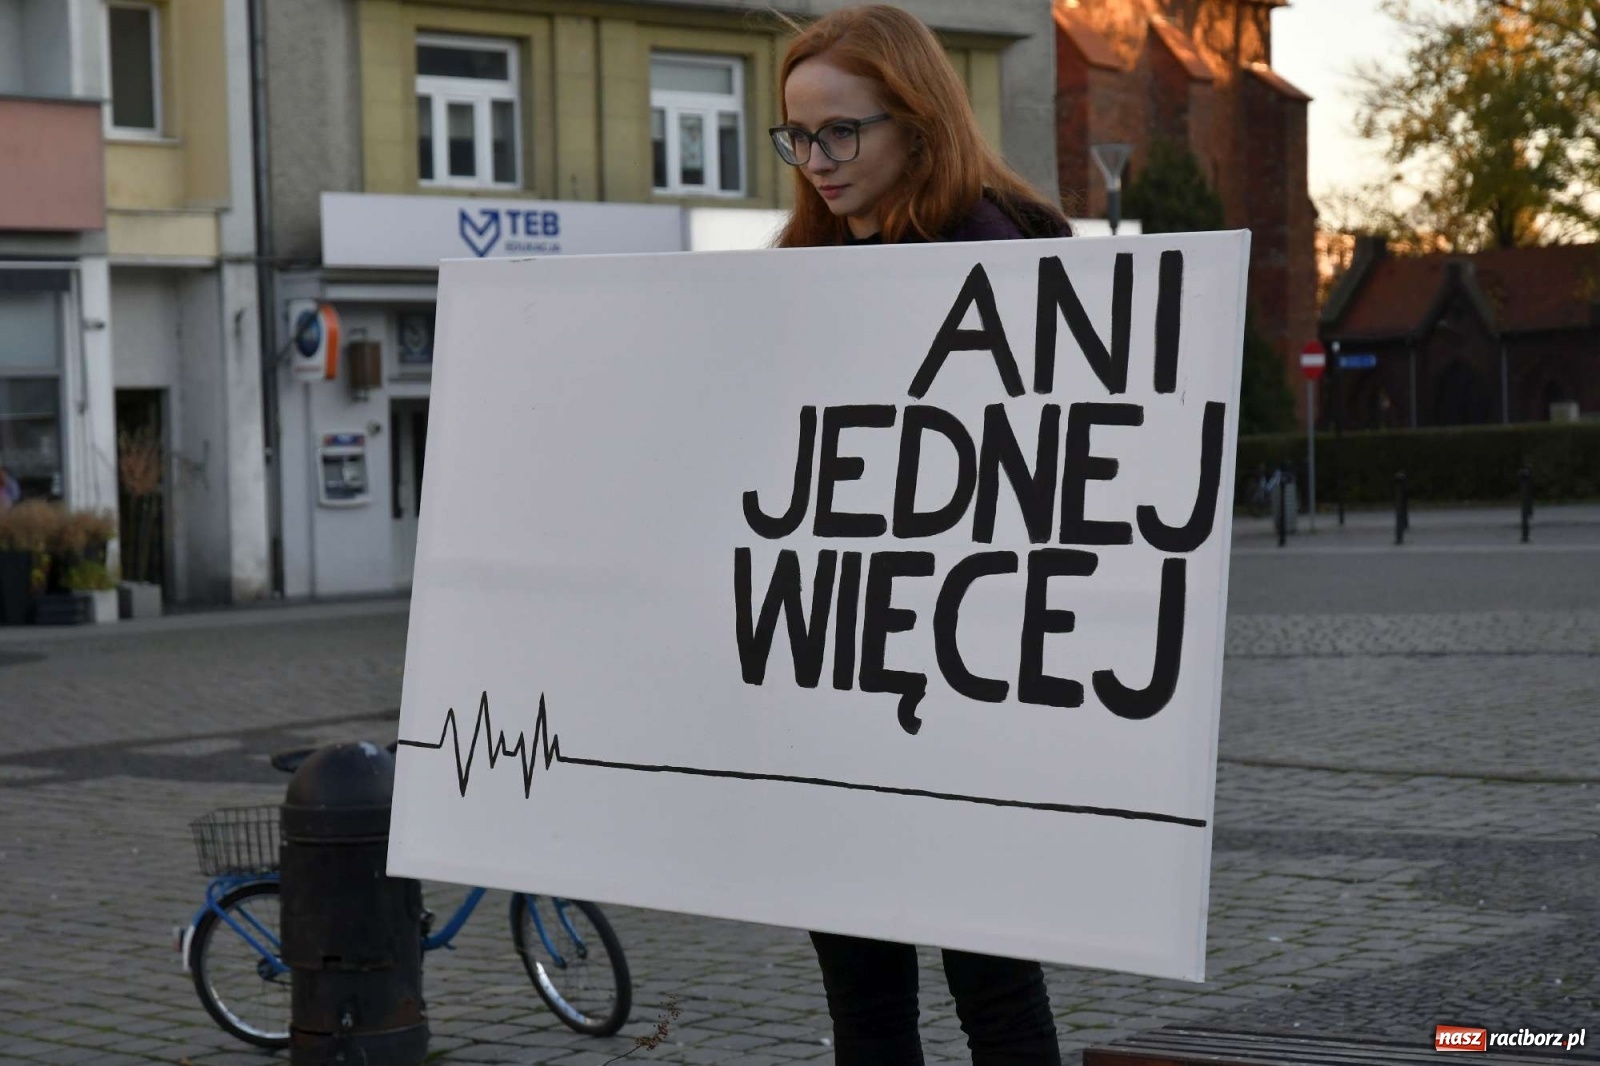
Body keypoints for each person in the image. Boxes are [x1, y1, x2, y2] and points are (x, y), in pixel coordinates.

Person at [768, 7, 1068, 1065]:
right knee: (864, 1001)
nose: (815, 163)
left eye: (840, 133)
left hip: (965, 690)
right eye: (796, 137)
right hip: (837, 688)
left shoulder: (996, 251)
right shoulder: (800, 269)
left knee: (991, 986)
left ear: (919, 121)